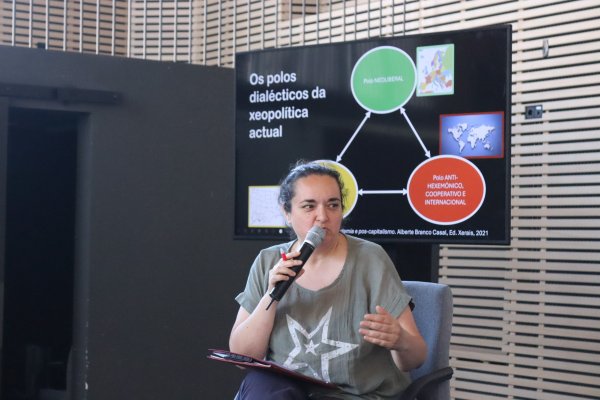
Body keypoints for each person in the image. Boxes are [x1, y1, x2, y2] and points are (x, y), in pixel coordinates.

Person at [230, 161, 427, 399]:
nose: (322, 217)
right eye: (309, 206)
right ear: (287, 212)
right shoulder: (268, 260)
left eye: (333, 205)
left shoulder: (370, 259)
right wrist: (271, 295)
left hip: (359, 396)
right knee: (261, 384)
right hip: (290, 393)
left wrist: (400, 340)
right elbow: (242, 357)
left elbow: (415, 358)